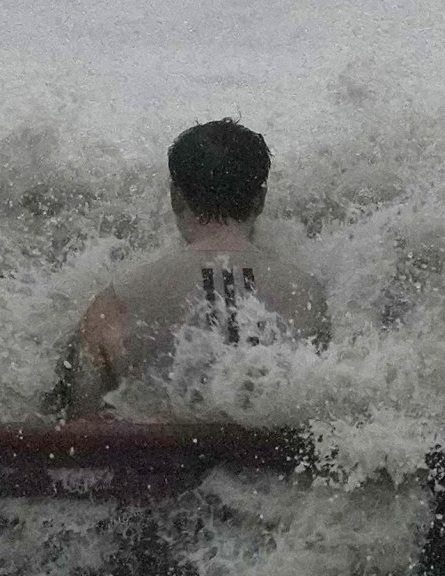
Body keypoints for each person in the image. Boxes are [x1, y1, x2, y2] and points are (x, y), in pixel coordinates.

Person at [51, 118, 329, 418]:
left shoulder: (114, 305)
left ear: (175, 196)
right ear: (260, 200)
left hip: (155, 463)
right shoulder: (307, 296)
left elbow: (78, 436)